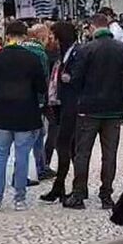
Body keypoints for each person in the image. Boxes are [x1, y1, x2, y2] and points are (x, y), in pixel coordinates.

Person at [64, 14, 123, 210]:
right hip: (114, 109)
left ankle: (78, 194)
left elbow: (76, 79)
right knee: (109, 154)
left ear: (92, 27)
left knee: (82, 152)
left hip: (89, 108)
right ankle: (106, 195)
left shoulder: (86, 49)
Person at [0, 21, 47, 211]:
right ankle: (19, 198)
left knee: (0, 156)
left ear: (8, 35)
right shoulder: (32, 58)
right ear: (25, 36)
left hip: (2, 113)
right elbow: (41, 88)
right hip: (26, 113)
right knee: (22, 156)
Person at [40, 21, 81, 203]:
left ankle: (64, 186)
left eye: (53, 36)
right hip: (61, 105)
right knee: (67, 147)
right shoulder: (60, 54)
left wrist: (68, 78)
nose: (51, 40)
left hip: (72, 106)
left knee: (64, 146)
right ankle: (68, 186)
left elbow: (76, 77)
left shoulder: (76, 53)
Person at [20, 24, 52, 185]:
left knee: (35, 134)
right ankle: (39, 168)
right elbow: (43, 78)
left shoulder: (20, 48)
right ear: (41, 36)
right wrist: (44, 100)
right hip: (36, 100)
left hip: (20, 99)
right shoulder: (40, 53)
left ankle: (41, 166)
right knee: (36, 134)